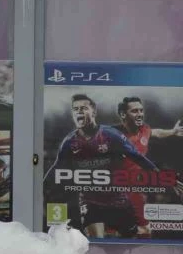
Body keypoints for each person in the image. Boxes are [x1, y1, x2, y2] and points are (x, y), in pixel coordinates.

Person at [44, 94, 164, 239]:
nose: (79, 111)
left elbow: (137, 157)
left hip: (119, 201)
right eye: (75, 109)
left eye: (83, 108)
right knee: (96, 241)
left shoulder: (110, 135)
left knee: (129, 242)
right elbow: (57, 167)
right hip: (91, 203)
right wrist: (42, 187)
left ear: (93, 112)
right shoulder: (69, 142)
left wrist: (163, 176)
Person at [115, 97, 183, 237]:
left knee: (145, 231)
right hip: (113, 189)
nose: (139, 114)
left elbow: (156, 132)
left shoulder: (145, 129)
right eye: (134, 111)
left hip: (136, 190)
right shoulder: (111, 134)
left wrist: (172, 132)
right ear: (123, 115)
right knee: (113, 232)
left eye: (141, 110)